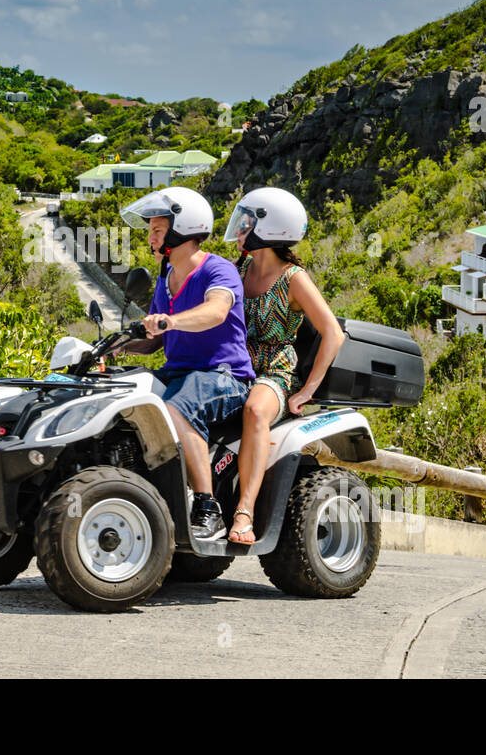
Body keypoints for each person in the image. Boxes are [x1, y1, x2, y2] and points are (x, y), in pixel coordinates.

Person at [118, 186, 254, 541]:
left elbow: (216, 311)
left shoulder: (218, 270)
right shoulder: (165, 278)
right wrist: (117, 348)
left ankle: (208, 506)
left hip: (224, 376)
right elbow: (154, 341)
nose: (151, 237)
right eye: (151, 230)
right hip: (178, 373)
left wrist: (172, 321)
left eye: (157, 230)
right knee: (122, 395)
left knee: (177, 407)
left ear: (183, 229)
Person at [222, 187, 345, 544]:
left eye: (246, 223)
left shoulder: (294, 278)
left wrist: (307, 390)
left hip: (274, 370)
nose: (239, 229)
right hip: (236, 365)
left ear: (269, 228)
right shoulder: (239, 268)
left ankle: (244, 512)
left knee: (255, 411)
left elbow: (333, 333)